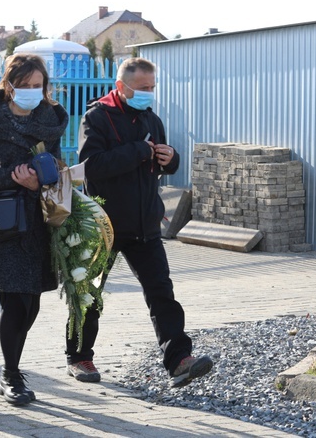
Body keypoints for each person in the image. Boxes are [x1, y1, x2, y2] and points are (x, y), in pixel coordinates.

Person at [69, 57, 213, 387]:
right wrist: (138, 150)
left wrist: (170, 158)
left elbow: (160, 164)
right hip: (103, 224)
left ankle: (179, 360)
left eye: (152, 87)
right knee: (89, 295)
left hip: (145, 224)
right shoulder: (96, 118)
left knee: (162, 293)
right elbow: (91, 166)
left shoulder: (152, 119)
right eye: (143, 88)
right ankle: (79, 358)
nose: (149, 93)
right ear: (121, 87)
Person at [0, 53, 68, 405]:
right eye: (23, 85)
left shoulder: (50, 121)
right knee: (16, 299)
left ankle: (13, 366)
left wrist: (37, 178)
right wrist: (16, 176)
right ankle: (10, 375)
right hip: (3, 223)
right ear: (8, 86)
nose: (30, 91)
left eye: (36, 86)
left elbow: (54, 170)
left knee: (31, 303)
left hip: (40, 222)